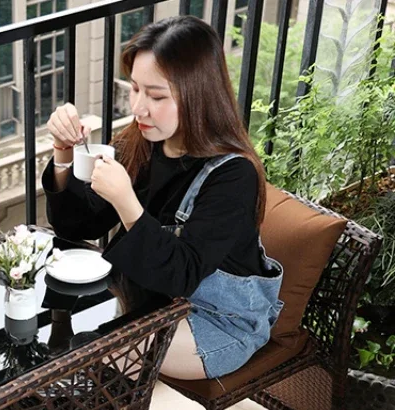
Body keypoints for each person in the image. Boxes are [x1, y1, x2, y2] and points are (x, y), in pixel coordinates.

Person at [43, 15, 284, 381]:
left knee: (86, 362)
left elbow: (182, 276)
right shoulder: (142, 139)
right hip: (148, 297)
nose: (138, 107)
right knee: (48, 337)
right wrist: (63, 154)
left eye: (156, 96)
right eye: (135, 88)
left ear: (197, 95)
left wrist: (127, 204)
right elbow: (79, 224)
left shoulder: (234, 176)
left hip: (216, 319)